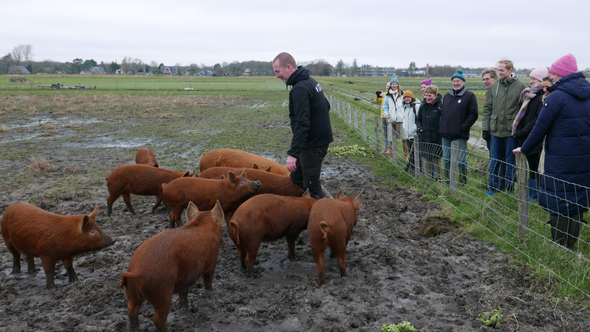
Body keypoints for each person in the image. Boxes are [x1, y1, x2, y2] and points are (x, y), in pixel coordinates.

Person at [514, 54, 590, 250]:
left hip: (560, 158)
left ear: (563, 75)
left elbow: (540, 127)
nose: (553, 77)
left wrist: (525, 148)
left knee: (559, 199)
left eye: (554, 74)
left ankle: (559, 246)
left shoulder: (557, 96)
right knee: (578, 197)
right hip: (584, 158)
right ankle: (571, 244)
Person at [272, 52, 333, 199]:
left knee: (313, 188)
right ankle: (300, 209)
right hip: (317, 141)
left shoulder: (300, 89)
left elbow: (302, 123)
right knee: (297, 178)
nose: (277, 76)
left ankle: (332, 217)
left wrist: (293, 154)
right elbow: (326, 105)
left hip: (313, 145)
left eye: (278, 71)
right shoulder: (311, 82)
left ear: (288, 67)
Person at [482, 59, 527, 195]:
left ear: (510, 70)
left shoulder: (520, 86)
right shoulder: (494, 86)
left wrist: (520, 130)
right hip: (495, 130)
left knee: (510, 161)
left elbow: (523, 109)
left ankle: (509, 188)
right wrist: (485, 128)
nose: (499, 72)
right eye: (498, 69)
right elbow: (487, 108)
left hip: (511, 131)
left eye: (502, 70)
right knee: (494, 160)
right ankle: (493, 187)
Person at [512, 67, 549, 203]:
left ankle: (537, 196)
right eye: (531, 78)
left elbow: (537, 119)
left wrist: (523, 131)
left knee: (537, 167)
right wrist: (519, 129)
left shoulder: (542, 97)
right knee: (531, 167)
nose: (531, 81)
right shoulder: (528, 96)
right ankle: (532, 194)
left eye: (534, 79)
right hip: (527, 137)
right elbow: (523, 115)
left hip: (535, 137)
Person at [439, 70, 478, 185]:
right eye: (454, 81)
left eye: (458, 81)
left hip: (460, 134)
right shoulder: (447, 96)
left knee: (461, 160)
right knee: (446, 159)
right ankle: (447, 181)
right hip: (446, 134)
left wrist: (463, 127)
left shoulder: (469, 96)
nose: (456, 83)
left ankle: (462, 182)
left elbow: (473, 114)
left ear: (463, 82)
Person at [416, 85, 443, 181]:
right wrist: (420, 128)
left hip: (436, 138)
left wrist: (439, 131)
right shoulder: (423, 107)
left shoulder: (440, 107)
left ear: (435, 95)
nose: (427, 98)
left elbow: (443, 121)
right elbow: (418, 120)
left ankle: (438, 179)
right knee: (426, 159)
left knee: (436, 160)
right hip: (425, 136)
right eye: (426, 95)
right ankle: (427, 179)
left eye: (430, 95)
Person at [383, 74, 407, 158]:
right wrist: (386, 114)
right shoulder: (387, 96)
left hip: (401, 119)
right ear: (391, 85)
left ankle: (406, 155)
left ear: (398, 85)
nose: (394, 85)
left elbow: (406, 103)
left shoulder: (403, 94)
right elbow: (385, 107)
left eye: (395, 84)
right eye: (392, 84)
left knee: (404, 137)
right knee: (390, 138)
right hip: (391, 119)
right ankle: (391, 155)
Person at [401, 90, 421, 172]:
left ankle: (418, 170)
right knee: (410, 152)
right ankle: (412, 168)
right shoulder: (405, 107)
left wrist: (417, 129)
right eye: (405, 97)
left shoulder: (416, 107)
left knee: (416, 153)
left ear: (412, 98)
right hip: (407, 134)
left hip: (415, 134)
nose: (406, 99)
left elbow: (419, 119)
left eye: (408, 97)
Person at [481, 69, 498, 150]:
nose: (485, 81)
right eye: (484, 79)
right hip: (491, 128)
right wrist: (485, 129)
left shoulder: (498, 92)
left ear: (495, 78)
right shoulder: (489, 92)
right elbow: (487, 112)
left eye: (487, 79)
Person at [376, 82, 391, 154]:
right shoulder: (384, 94)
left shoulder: (391, 94)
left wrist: (383, 95)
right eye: (387, 86)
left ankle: (390, 148)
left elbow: (387, 100)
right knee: (385, 133)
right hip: (383, 116)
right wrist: (378, 95)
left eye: (389, 86)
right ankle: (385, 148)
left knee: (390, 133)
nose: (387, 87)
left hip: (389, 116)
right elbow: (377, 102)